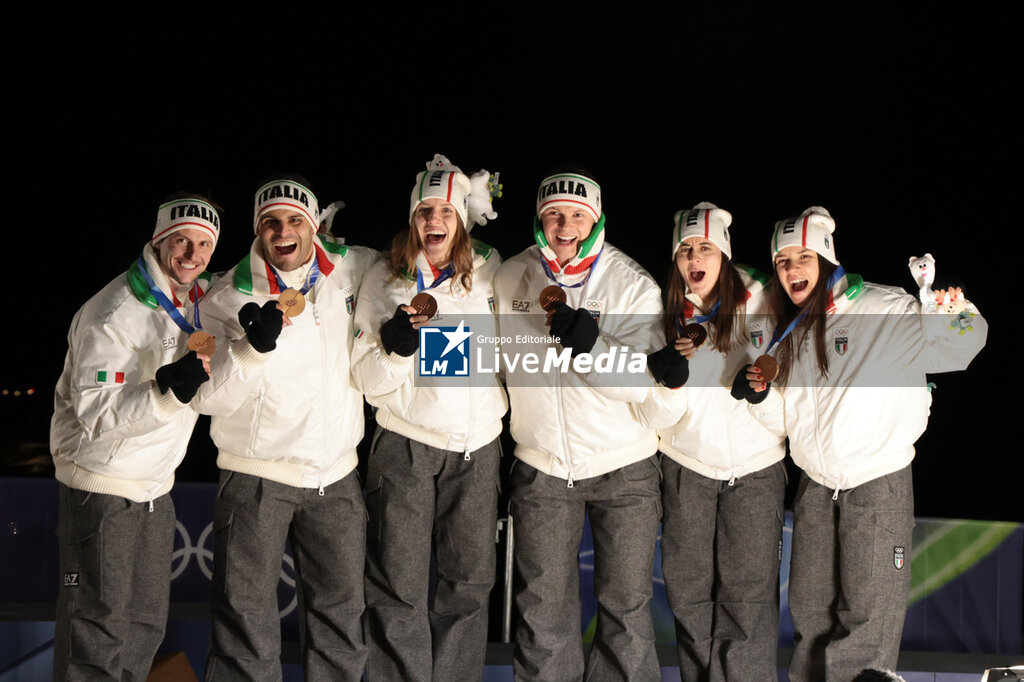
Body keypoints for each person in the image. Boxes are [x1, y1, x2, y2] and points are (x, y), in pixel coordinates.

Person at [733, 206, 987, 682]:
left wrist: (953, 310)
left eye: (802, 257)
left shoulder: (883, 307)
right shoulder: (794, 330)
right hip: (816, 487)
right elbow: (786, 417)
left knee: (866, 626)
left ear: (826, 258)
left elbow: (962, 345)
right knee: (809, 618)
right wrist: (761, 397)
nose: (791, 270)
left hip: (875, 482)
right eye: (783, 262)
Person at [494, 170, 681, 682]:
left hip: (624, 465)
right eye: (554, 213)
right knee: (542, 614)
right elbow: (491, 363)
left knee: (625, 612)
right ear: (539, 219)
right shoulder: (510, 277)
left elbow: (643, 383)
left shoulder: (632, 283)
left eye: (578, 215)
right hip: (543, 467)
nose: (565, 224)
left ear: (596, 220)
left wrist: (591, 346)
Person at [197, 175, 376, 681]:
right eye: (271, 223)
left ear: (313, 226)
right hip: (257, 477)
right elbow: (206, 400)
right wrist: (248, 352)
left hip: (336, 478)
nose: (283, 232)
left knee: (341, 623)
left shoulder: (349, 268)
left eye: (295, 220)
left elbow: (411, 270)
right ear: (258, 230)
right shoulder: (225, 297)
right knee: (245, 624)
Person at [50, 194, 221, 680]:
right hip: (101, 487)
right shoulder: (113, 312)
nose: (192, 255)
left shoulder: (193, 299)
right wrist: (165, 390)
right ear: (159, 241)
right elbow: (92, 410)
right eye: (181, 241)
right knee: (96, 634)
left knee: (144, 628)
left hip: (154, 489)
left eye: (204, 244)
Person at [351, 153, 507, 682]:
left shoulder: (493, 271)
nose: (432, 221)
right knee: (398, 582)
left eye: (444, 211)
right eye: (423, 211)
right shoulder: (384, 276)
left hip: (478, 448)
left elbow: (515, 355)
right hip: (405, 445)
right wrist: (393, 347)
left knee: (468, 583)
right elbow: (368, 384)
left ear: (461, 218)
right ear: (412, 217)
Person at [656, 202, 787, 681]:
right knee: (689, 597)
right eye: (686, 248)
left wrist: (761, 396)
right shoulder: (662, 310)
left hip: (755, 470)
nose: (695, 256)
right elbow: (651, 413)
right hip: (685, 466)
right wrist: (665, 382)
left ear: (724, 254)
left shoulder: (767, 300)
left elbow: (790, 407)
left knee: (747, 604)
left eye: (705, 246)